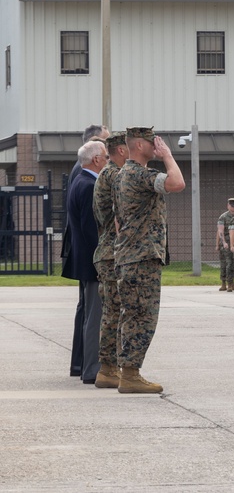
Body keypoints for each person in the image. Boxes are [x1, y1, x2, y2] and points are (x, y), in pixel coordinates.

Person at [113, 127, 185, 393]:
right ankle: (130, 375)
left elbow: (118, 221)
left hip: (129, 255)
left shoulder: (121, 175)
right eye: (152, 142)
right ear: (140, 146)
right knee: (143, 316)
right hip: (142, 258)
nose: (157, 145)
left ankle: (128, 373)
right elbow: (177, 183)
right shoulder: (140, 174)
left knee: (131, 314)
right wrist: (167, 156)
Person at [62, 124, 110, 379]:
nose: (109, 161)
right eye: (106, 156)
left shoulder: (80, 180)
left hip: (85, 260)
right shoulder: (89, 185)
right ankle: (91, 369)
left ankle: (83, 366)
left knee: (90, 313)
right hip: (93, 262)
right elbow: (92, 231)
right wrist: (103, 262)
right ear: (96, 159)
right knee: (95, 316)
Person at [91, 132, 127, 388]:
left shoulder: (107, 173)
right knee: (114, 312)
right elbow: (119, 217)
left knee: (112, 311)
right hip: (113, 252)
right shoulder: (115, 174)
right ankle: (108, 369)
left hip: (109, 251)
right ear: (123, 150)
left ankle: (109, 368)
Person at [216, 198, 234, 292]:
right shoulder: (223, 217)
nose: (233, 208)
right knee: (226, 264)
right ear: (228, 206)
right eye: (231, 206)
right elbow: (220, 231)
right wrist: (224, 242)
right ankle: (225, 283)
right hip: (227, 243)